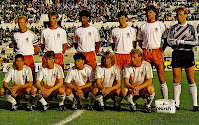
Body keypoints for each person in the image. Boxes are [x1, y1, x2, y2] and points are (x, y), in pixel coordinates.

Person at [167, 6, 199, 111]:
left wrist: (182, 42)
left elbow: (196, 42)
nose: (179, 17)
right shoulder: (173, 28)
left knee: (190, 79)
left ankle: (195, 104)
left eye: (181, 15)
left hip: (188, 53)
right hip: (177, 53)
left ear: (185, 15)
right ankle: (177, 104)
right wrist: (177, 42)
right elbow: (169, 41)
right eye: (177, 15)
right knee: (176, 79)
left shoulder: (191, 27)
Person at [137, 5, 168, 99]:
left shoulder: (161, 25)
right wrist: (144, 49)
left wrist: (162, 49)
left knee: (161, 76)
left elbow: (165, 39)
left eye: (150, 12)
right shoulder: (142, 27)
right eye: (147, 12)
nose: (148, 14)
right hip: (146, 52)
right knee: (146, 78)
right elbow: (139, 40)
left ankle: (165, 100)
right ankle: (147, 100)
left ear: (155, 13)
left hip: (157, 51)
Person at [122, 49, 155, 113]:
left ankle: (148, 105)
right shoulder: (127, 66)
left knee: (151, 89)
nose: (132, 59)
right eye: (131, 57)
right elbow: (126, 82)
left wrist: (138, 88)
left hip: (143, 89)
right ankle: (133, 104)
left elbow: (149, 81)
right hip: (133, 89)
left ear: (140, 57)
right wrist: (132, 87)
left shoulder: (146, 65)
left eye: (134, 57)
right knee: (123, 91)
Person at [12, 15, 39, 83]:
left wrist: (28, 54)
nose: (20, 24)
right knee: (19, 78)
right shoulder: (15, 35)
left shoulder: (32, 34)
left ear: (26, 23)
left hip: (28, 57)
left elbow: (36, 48)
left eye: (22, 22)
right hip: (19, 58)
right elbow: (15, 47)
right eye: (19, 23)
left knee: (31, 78)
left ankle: (33, 92)